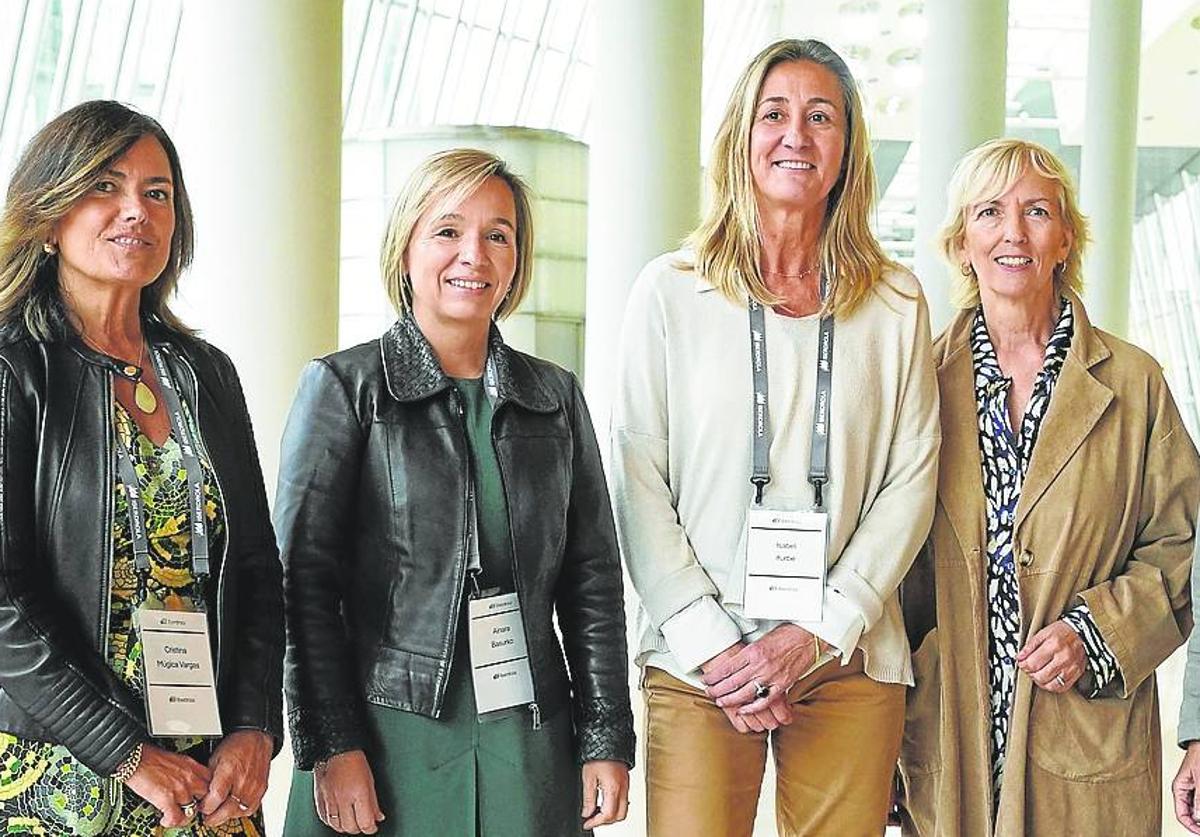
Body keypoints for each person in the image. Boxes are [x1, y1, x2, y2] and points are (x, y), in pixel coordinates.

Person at [611, 38, 939, 836]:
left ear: (848, 147)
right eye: (775, 113)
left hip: (846, 654)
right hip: (700, 662)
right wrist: (712, 644)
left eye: (820, 116)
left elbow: (911, 481)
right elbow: (636, 474)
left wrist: (819, 628)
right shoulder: (670, 292)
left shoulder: (895, 303)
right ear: (742, 138)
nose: (796, 134)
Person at [277, 148, 634, 836]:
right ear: (406, 248)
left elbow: (592, 581)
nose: (473, 253)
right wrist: (331, 743)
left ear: (516, 259)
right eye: (447, 231)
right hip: (386, 732)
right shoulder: (345, 388)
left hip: (528, 736)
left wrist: (605, 737)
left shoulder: (554, 397)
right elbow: (304, 584)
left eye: (497, 234)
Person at [896, 137, 1199, 836]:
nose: (1013, 232)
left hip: (1084, 725)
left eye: (1036, 211)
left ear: (1065, 239)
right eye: (989, 212)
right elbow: (892, 568)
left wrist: (1097, 632)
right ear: (960, 243)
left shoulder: (1133, 384)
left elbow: (1184, 545)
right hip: (951, 725)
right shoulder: (918, 383)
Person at [0, 100, 283, 835]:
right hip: (59, 771)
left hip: (207, 775)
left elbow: (255, 566)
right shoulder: (11, 368)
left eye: (157, 193)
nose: (136, 211)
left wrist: (255, 725)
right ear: (47, 210)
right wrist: (122, 750)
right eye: (106, 186)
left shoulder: (204, 373)